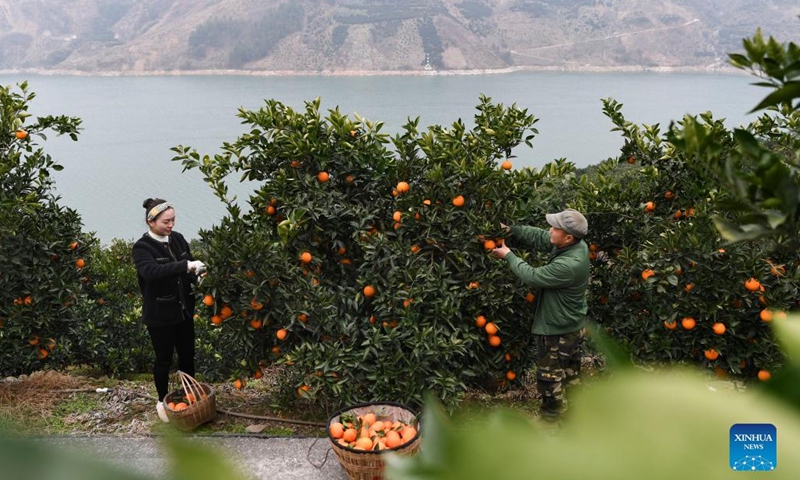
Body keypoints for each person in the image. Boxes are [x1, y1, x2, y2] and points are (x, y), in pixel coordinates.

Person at [491, 208, 589, 421]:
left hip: (558, 332)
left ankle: (551, 425)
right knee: (572, 378)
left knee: (549, 381)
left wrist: (508, 255)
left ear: (568, 236)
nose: (550, 230)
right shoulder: (574, 244)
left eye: (555, 228)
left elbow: (533, 276)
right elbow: (538, 236)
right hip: (572, 326)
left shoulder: (569, 265)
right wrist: (511, 230)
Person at [132, 198, 205, 423]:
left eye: (173, 220)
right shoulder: (142, 247)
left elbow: (189, 268)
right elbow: (151, 272)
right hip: (159, 315)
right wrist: (186, 266)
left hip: (183, 311)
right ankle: (162, 400)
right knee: (163, 359)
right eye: (166, 221)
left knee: (187, 355)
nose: (171, 225)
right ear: (151, 221)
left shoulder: (179, 239)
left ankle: (188, 396)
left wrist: (198, 275)